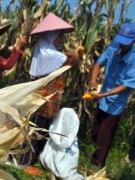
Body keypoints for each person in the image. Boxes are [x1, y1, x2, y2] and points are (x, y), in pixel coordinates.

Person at [20, 13, 81, 173]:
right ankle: (27, 162)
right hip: (41, 99)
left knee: (43, 128)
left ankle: (34, 159)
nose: (61, 39)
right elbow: (70, 60)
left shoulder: (52, 51)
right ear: (51, 35)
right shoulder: (49, 53)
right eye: (59, 35)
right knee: (36, 129)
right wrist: (77, 54)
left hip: (50, 100)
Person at [88, 22, 135, 167]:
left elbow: (126, 86)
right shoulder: (113, 47)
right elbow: (98, 64)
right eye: (121, 42)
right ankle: (91, 158)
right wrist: (93, 81)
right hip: (102, 98)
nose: (122, 46)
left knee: (105, 137)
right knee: (95, 131)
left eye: (126, 43)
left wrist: (102, 95)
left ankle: (97, 165)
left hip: (116, 103)